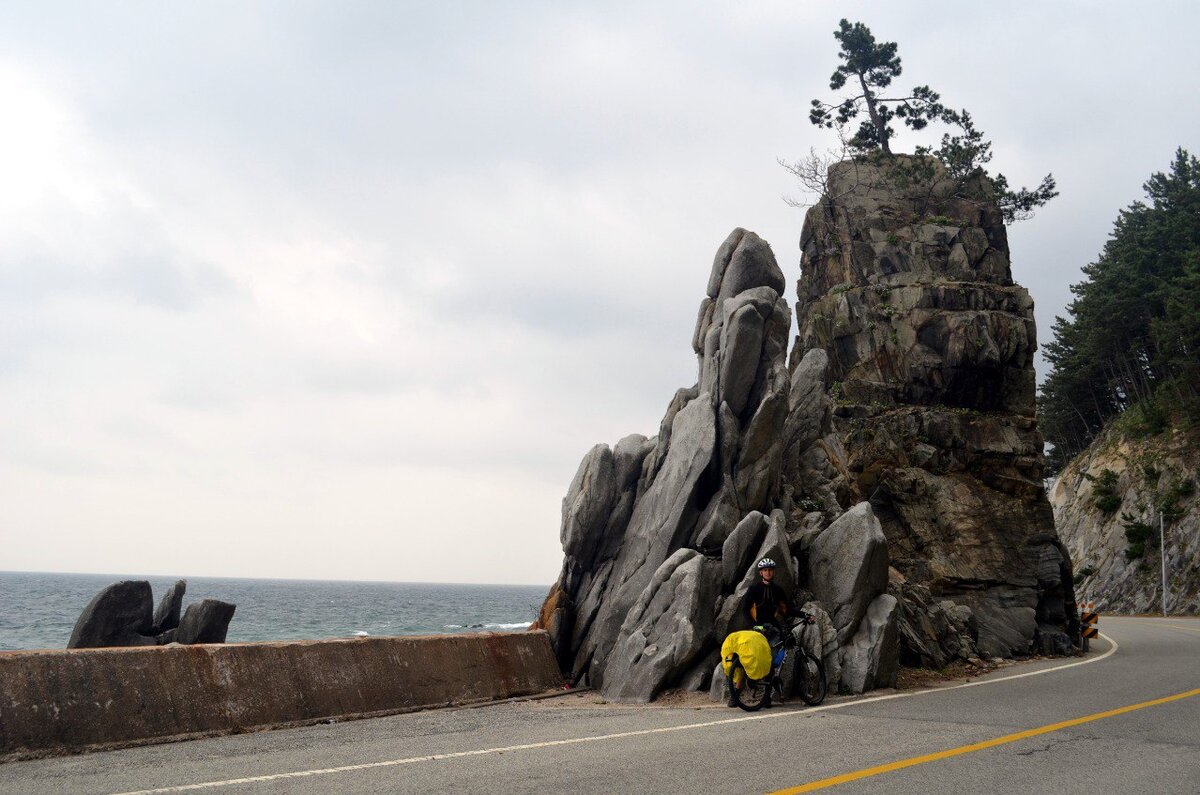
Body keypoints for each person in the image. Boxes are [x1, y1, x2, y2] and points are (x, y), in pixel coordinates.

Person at [741, 557, 791, 635]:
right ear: (761, 573)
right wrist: (754, 626)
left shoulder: (778, 590)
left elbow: (787, 610)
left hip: (773, 626)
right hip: (758, 626)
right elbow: (745, 610)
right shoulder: (754, 589)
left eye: (770, 570)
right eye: (765, 570)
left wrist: (805, 616)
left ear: (774, 572)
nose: (768, 573)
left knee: (786, 642)